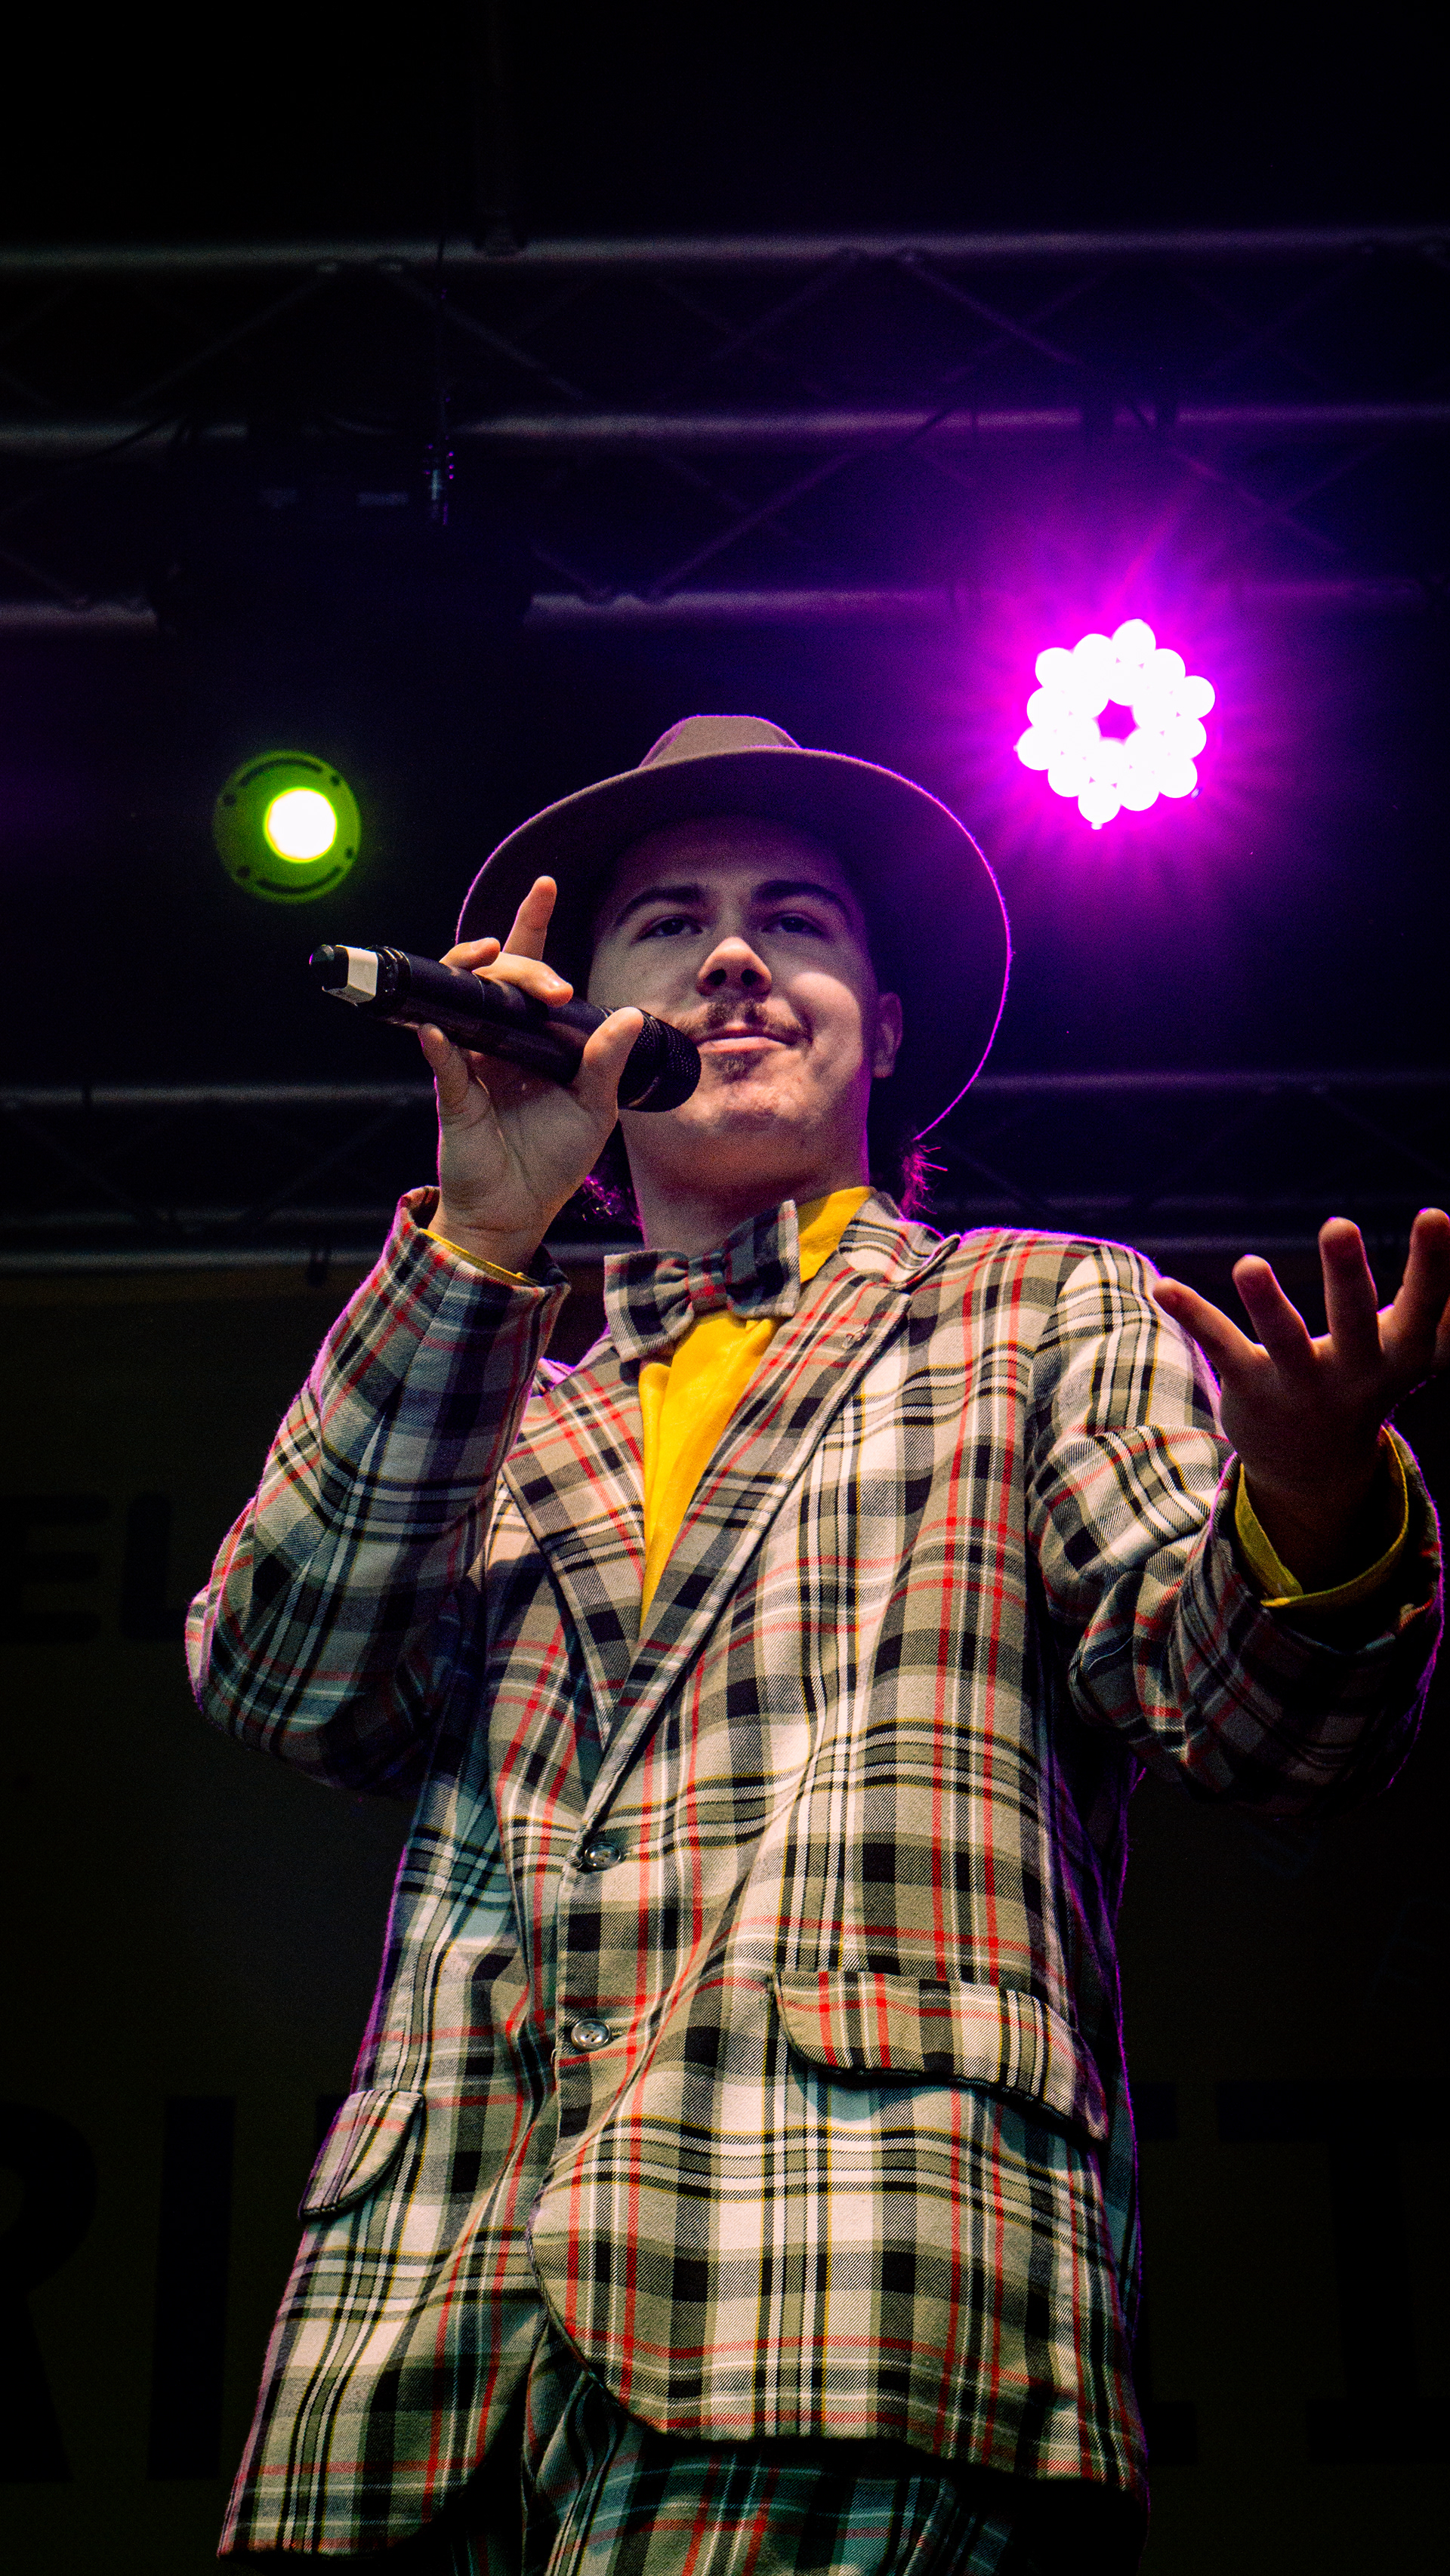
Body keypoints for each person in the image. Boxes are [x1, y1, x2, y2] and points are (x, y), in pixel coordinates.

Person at [188, 715, 1447, 2575]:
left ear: (891, 1022)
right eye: (667, 922)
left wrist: (1317, 1507)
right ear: (582, 1023)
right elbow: (280, 1671)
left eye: (796, 916)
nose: (730, 955)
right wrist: (480, 1228)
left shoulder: (1037, 1310)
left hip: (847, 2291)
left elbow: (1257, 1725)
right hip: (413, 2377)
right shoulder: (494, 1393)